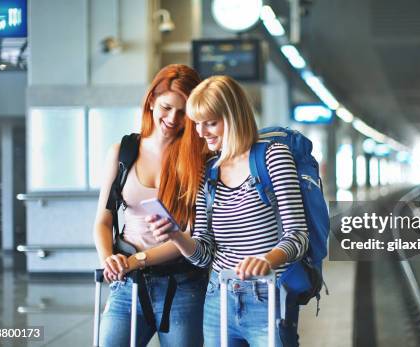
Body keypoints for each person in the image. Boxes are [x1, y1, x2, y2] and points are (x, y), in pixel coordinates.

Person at [147, 75, 309, 347]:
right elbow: (203, 254)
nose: (200, 132)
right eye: (197, 123)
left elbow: (298, 236)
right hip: (217, 301)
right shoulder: (207, 173)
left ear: (234, 117)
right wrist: (176, 236)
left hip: (266, 299)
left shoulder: (273, 157)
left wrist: (267, 260)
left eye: (210, 123)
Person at [92, 64, 208, 347]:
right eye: (167, 107)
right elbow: (103, 220)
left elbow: (192, 236)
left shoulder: (200, 160)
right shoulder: (124, 151)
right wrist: (110, 259)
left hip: (182, 284)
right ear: (152, 100)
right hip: (127, 282)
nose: (172, 118)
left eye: (183, 112)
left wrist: (133, 261)